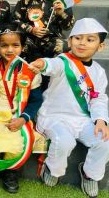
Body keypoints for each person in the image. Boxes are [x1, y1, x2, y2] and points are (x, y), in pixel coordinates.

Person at [29, 18, 109, 198]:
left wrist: (101, 120)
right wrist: (42, 64)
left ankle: (90, 174)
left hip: (82, 119)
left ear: (100, 46)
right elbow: (52, 65)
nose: (82, 43)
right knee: (64, 141)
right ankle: (52, 169)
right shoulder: (63, 61)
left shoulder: (99, 72)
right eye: (78, 38)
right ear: (70, 41)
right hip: (54, 117)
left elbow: (98, 98)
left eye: (90, 39)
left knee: (105, 141)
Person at [0, 26, 43, 193]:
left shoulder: (30, 71)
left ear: (23, 47)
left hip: (17, 117)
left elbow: (35, 100)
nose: (10, 50)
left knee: (17, 142)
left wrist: (23, 119)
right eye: (4, 45)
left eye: (15, 45)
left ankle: (11, 172)